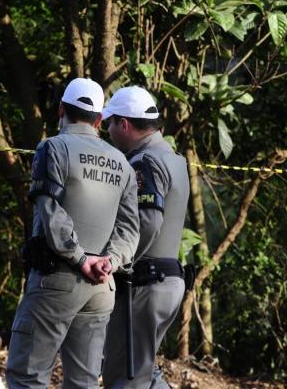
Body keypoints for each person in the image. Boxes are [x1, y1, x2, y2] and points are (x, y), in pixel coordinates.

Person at [6, 78, 140, 389]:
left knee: (27, 376)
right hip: (102, 288)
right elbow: (130, 228)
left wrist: (81, 259)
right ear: (99, 120)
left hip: (58, 278)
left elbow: (51, 213)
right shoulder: (122, 163)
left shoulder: (53, 147)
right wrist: (109, 261)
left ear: (61, 110)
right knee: (84, 382)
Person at [102, 86, 190, 389]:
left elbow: (148, 222)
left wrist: (118, 264)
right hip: (169, 282)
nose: (108, 131)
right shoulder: (176, 159)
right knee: (144, 372)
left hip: (144, 284)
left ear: (124, 124)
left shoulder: (144, 162)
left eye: (109, 123)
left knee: (123, 378)